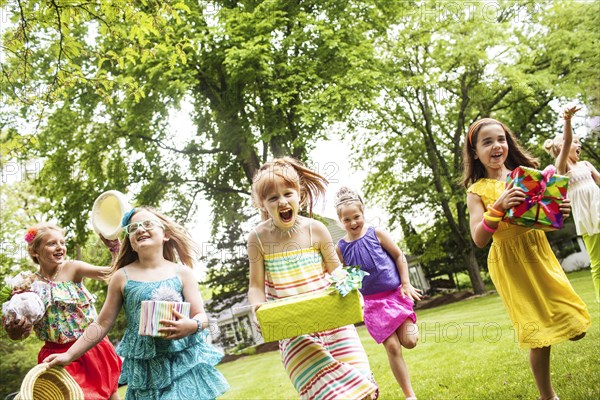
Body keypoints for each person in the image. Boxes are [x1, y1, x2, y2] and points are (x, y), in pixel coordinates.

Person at [462, 118, 591, 400]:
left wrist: (559, 212)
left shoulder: (528, 176)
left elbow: (541, 221)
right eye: (487, 142)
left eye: (501, 139)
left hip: (537, 252)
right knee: (538, 336)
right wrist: (497, 207)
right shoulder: (477, 191)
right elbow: (479, 238)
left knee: (576, 325)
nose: (497, 146)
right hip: (509, 262)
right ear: (474, 153)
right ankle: (548, 396)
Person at [44, 207, 230, 400]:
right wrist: (69, 355)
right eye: (133, 228)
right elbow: (101, 324)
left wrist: (193, 325)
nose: (140, 229)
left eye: (147, 224)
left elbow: (201, 316)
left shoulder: (182, 273)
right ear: (131, 243)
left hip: (182, 361)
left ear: (165, 234)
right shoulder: (121, 277)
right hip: (147, 370)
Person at [247, 157, 379, 400]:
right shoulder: (257, 238)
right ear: (263, 204)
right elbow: (255, 287)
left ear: (300, 195)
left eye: (288, 193)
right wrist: (257, 308)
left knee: (363, 391)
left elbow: (336, 270)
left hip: (335, 323)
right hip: (294, 332)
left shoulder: (316, 229)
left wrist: (351, 291)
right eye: (273, 198)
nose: (282, 202)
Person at [3, 223, 122, 400]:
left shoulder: (72, 268)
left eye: (62, 242)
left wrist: (115, 249)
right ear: (35, 251)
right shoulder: (26, 285)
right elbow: (18, 333)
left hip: (91, 347)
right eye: (51, 243)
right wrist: (16, 330)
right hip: (56, 356)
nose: (60, 247)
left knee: (111, 395)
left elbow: (112, 273)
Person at [334, 187, 421, 400]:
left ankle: (411, 323)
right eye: (347, 220)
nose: (353, 223)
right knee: (392, 346)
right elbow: (343, 276)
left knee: (409, 342)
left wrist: (406, 283)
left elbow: (399, 255)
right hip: (372, 305)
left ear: (363, 214)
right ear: (340, 221)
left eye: (356, 217)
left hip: (394, 295)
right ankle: (410, 395)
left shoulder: (376, 234)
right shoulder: (341, 247)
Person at [543, 106, 600, 301]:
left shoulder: (586, 165)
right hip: (587, 217)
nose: (578, 145)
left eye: (579, 142)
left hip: (599, 207)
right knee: (597, 262)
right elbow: (567, 140)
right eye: (575, 142)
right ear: (561, 148)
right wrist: (567, 119)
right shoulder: (562, 166)